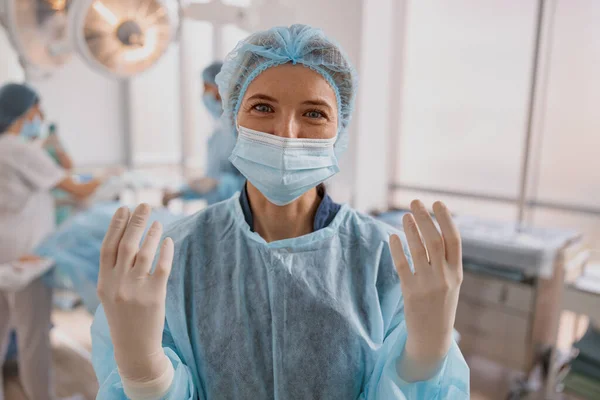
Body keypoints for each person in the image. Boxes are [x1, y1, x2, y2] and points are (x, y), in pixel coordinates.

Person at [92, 25, 470, 399]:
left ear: (341, 130)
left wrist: (424, 360)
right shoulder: (176, 257)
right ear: (233, 118)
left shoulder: (387, 262)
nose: (286, 132)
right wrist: (144, 373)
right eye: (262, 107)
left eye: (314, 114)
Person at [0, 82, 105, 400]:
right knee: (34, 338)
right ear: (23, 110)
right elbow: (78, 189)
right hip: (28, 255)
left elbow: (43, 189)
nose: (41, 115)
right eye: (37, 108)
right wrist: (114, 176)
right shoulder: (20, 149)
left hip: (5, 251)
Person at [162, 61, 244, 207]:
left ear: (222, 90)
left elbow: (260, 186)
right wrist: (180, 192)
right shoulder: (217, 136)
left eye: (206, 88)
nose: (204, 95)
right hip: (218, 215)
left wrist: (220, 183)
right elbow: (208, 184)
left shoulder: (245, 132)